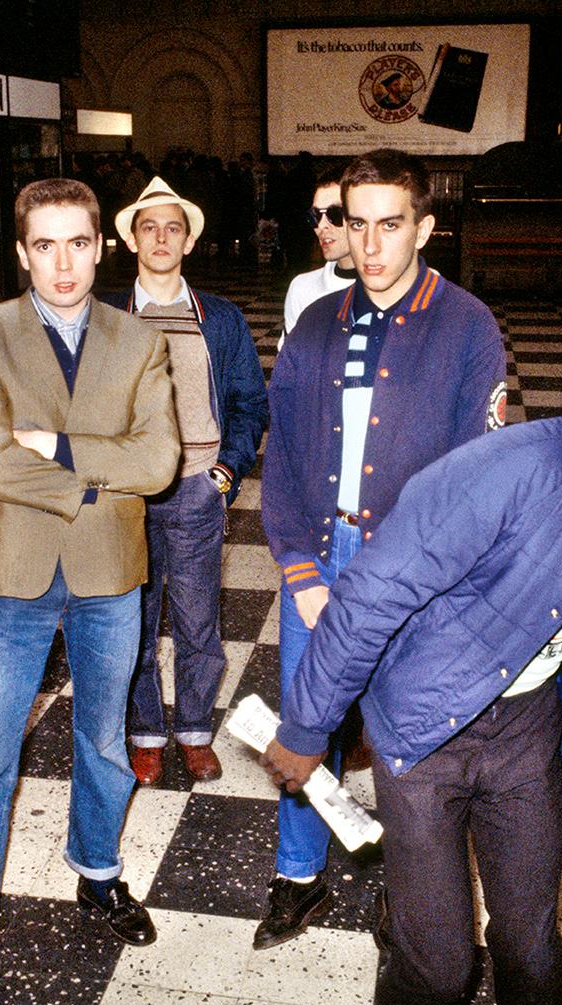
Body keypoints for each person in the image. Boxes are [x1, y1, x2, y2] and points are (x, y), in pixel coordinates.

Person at [260, 306, 562, 1005]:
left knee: (534, 949)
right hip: (422, 724)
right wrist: (306, 725)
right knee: (440, 963)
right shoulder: (509, 471)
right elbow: (369, 597)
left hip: (524, 731)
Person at [0, 178, 178, 1005]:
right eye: (44, 245)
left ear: (102, 245)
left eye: (77, 243)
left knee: (103, 738)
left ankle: (98, 871)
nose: (62, 264)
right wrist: (95, 477)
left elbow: (160, 463)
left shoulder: (139, 340)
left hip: (108, 577)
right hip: (14, 578)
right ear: (21, 250)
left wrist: (57, 445)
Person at [258, 149, 507, 951]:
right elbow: (285, 457)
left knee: (411, 731)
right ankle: (297, 877)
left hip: (418, 567)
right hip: (324, 549)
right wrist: (300, 568)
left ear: (424, 227)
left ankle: (413, 889)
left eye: (389, 225)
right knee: (309, 717)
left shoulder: (468, 325)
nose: (369, 245)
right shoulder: (316, 325)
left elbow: (482, 472)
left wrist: (428, 581)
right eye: (354, 223)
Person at [101, 177, 269, 785]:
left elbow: (250, 402)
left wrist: (225, 472)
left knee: (200, 621)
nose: (162, 237)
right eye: (150, 227)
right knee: (135, 624)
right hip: (127, 501)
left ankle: (195, 732)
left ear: (190, 240)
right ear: (132, 241)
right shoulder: (107, 317)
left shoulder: (219, 320)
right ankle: (145, 733)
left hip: (198, 491)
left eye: (174, 227)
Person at [278, 165, 358, 351]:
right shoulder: (302, 288)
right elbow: (290, 369)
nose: (321, 226)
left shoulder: (413, 287)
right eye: (314, 216)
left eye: (335, 214)